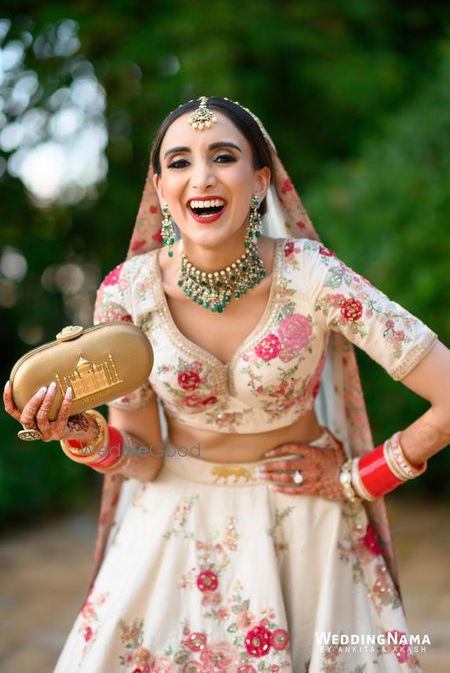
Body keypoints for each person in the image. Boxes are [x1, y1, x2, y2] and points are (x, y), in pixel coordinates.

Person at [4, 96, 450, 672]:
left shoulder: (314, 277)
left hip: (307, 522)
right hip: (175, 523)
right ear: (160, 186)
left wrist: (355, 480)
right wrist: (84, 437)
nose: (203, 177)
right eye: (181, 162)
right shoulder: (128, 294)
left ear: (260, 180)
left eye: (223, 156)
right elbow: (143, 457)